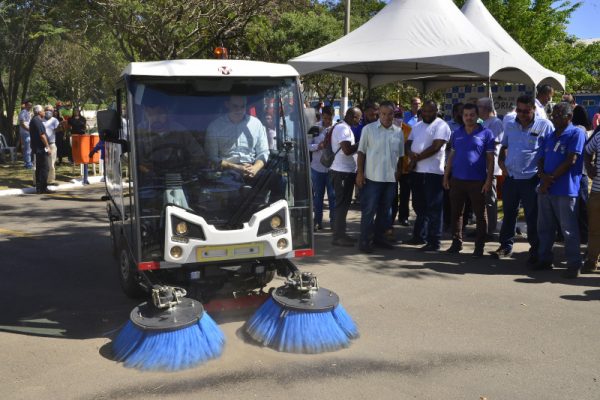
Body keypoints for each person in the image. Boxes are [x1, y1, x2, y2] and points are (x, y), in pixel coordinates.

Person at [492, 95, 554, 263]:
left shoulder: (545, 125)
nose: (522, 114)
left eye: (526, 111)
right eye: (519, 110)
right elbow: (504, 146)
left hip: (532, 179)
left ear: (533, 109)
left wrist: (543, 175)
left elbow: (550, 150)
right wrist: (502, 163)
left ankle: (535, 250)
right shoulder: (511, 125)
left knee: (533, 217)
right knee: (509, 214)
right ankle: (505, 246)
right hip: (512, 178)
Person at [534, 102, 586, 278]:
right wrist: (543, 176)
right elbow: (540, 158)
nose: (554, 119)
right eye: (553, 116)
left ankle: (573, 264)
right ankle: (544, 259)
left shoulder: (576, 133)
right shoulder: (549, 135)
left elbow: (571, 160)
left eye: (558, 116)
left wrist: (550, 179)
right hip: (546, 188)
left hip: (565, 189)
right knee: (544, 227)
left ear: (569, 117)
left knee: (568, 229)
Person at [443, 103, 496, 258]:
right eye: (465, 115)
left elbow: (491, 160)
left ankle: (479, 246)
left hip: (478, 181)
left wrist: (488, 180)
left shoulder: (486, 133)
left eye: (472, 115)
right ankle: (456, 242)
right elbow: (451, 156)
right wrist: (446, 176)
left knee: (480, 215)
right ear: (462, 116)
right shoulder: (456, 133)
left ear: (477, 115)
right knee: (456, 213)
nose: (468, 118)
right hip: (457, 180)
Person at [356, 101, 404, 253]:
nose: (387, 117)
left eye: (390, 114)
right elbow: (361, 152)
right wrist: (360, 173)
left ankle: (379, 238)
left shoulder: (398, 131)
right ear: (378, 114)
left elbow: (401, 155)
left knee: (385, 211)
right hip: (372, 178)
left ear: (394, 114)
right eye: (383, 113)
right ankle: (364, 241)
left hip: (390, 179)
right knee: (369, 211)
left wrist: (399, 171)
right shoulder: (368, 129)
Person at [404, 100, 451, 251]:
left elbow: (436, 147)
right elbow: (407, 143)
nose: (427, 114)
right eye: (425, 111)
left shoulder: (441, 125)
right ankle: (419, 236)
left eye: (431, 111)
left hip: (433, 172)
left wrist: (416, 159)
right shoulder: (417, 125)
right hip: (417, 172)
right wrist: (410, 154)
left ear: (436, 111)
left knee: (434, 208)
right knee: (419, 207)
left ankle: (434, 241)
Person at [329, 107, 362, 247]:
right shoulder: (343, 128)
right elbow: (347, 150)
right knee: (341, 205)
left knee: (343, 204)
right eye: (357, 118)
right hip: (342, 172)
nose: (359, 121)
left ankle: (341, 234)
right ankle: (338, 237)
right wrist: (361, 144)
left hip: (344, 171)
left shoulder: (343, 127)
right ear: (351, 116)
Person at [477, 97, 504, 239]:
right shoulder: (482, 122)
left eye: (479, 107)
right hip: (480, 168)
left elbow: (497, 142)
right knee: (480, 200)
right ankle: (481, 227)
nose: (477, 110)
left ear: (486, 108)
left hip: (490, 168)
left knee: (490, 200)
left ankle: (491, 230)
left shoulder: (496, 122)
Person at [308, 106, 335, 231]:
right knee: (318, 196)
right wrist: (318, 146)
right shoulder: (314, 128)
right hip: (317, 168)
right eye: (325, 118)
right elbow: (307, 146)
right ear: (322, 116)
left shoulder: (336, 128)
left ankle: (334, 222)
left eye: (330, 119)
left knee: (332, 197)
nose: (327, 121)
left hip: (332, 169)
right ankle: (317, 221)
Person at [572, 105, 593, 245]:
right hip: (583, 172)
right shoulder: (585, 129)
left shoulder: (578, 130)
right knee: (582, 205)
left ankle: (583, 235)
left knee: (580, 205)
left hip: (579, 173)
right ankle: (584, 235)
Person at [391, 108, 412, 228]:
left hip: (406, 167)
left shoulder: (409, 129)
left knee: (405, 195)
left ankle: (403, 217)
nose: (397, 119)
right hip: (392, 168)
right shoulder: (388, 129)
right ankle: (391, 217)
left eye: (399, 116)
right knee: (392, 195)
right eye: (395, 116)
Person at [583, 125, 600, 272]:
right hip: (597, 191)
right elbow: (586, 151)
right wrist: (589, 167)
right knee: (594, 229)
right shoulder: (599, 135)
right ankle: (592, 260)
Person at [29, 105, 51, 194]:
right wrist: (47, 147)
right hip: (41, 148)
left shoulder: (34, 120)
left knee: (39, 168)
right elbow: (42, 135)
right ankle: (43, 188)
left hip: (38, 148)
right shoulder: (37, 121)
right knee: (45, 168)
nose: (44, 112)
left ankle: (39, 188)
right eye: (43, 110)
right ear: (39, 112)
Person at [69, 108, 90, 184]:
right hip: (74, 136)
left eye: (77, 111)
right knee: (74, 150)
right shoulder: (70, 119)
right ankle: (73, 161)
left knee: (82, 151)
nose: (76, 112)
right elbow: (69, 127)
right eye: (75, 111)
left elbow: (84, 127)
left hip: (82, 136)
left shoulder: (83, 119)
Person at [43, 105, 60, 185]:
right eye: (47, 110)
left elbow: (57, 130)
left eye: (50, 110)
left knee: (51, 164)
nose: (48, 111)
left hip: (51, 144)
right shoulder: (40, 119)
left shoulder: (55, 120)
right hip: (41, 145)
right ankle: (38, 180)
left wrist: (61, 127)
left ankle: (50, 180)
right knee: (39, 164)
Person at [18, 99, 33, 169]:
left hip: (28, 132)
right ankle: (28, 163)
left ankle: (27, 162)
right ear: (26, 105)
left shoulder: (29, 112)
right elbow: (22, 124)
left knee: (28, 148)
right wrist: (29, 130)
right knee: (27, 148)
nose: (30, 106)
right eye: (29, 105)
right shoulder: (23, 112)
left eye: (31, 105)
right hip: (25, 133)